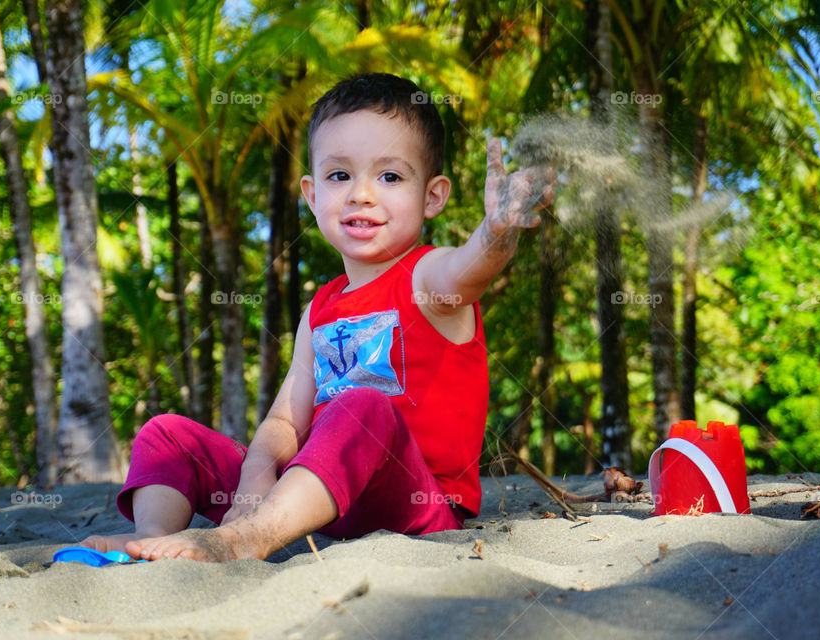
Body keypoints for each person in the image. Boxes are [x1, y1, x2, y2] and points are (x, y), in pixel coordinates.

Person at [81, 73, 554, 561]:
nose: (361, 194)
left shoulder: (427, 278)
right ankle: (154, 536)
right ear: (311, 194)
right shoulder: (320, 307)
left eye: (390, 177)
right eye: (339, 175)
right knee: (168, 434)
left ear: (432, 196)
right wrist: (256, 472)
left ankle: (248, 539)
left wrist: (497, 232)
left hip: (415, 506)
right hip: (314, 501)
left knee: (362, 406)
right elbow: (287, 419)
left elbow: (470, 268)